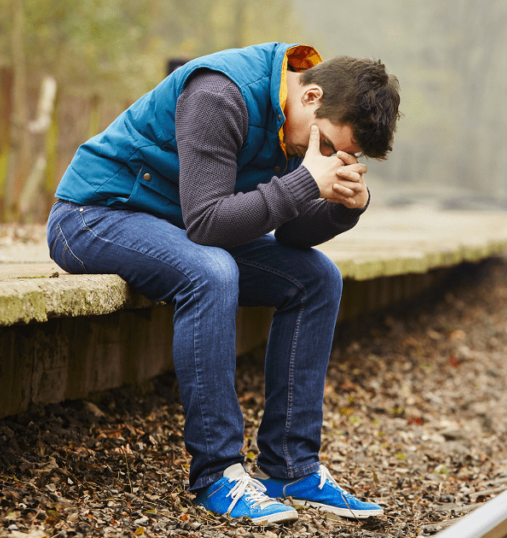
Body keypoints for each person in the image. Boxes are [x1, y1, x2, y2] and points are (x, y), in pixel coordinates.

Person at [46, 42, 400, 524]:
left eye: (346, 156)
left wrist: (343, 208)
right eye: (334, 147)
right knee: (212, 271)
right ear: (312, 95)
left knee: (317, 278)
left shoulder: (295, 121)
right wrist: (304, 182)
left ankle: (291, 468)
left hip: (174, 230)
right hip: (96, 215)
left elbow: (293, 234)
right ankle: (218, 473)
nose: (333, 158)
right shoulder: (221, 92)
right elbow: (208, 224)